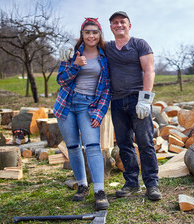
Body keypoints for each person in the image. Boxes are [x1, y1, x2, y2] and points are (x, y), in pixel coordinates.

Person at [54, 17, 111, 210]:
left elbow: (106, 89)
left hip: (89, 106)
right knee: (73, 146)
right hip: (67, 104)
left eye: (94, 32)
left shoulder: (105, 57)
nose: (91, 35)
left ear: (99, 34)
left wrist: (99, 113)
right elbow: (61, 80)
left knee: (93, 146)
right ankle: (83, 185)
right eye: (87, 32)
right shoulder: (72, 53)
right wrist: (76, 64)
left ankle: (100, 191)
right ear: (82, 34)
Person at [106, 11, 162, 201]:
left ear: (129, 25)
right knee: (124, 143)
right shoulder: (108, 47)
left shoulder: (139, 44)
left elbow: (149, 70)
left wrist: (145, 99)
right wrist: (69, 46)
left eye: (122, 22)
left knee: (145, 142)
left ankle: (152, 184)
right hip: (117, 101)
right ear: (111, 27)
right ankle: (131, 182)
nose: (119, 25)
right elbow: (87, 42)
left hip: (138, 101)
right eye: (115, 23)